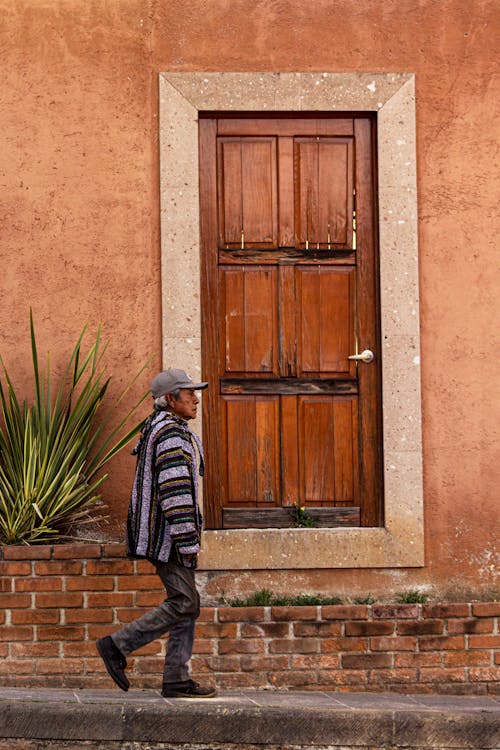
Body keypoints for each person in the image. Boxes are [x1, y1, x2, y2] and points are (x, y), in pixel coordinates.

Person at [96, 368, 216, 698]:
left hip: (167, 535)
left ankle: (176, 678)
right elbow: (175, 492)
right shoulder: (171, 436)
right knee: (185, 601)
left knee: (187, 603)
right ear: (169, 399)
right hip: (169, 538)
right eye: (187, 392)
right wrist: (188, 541)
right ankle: (117, 645)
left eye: (195, 391)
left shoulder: (162, 429)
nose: (195, 398)